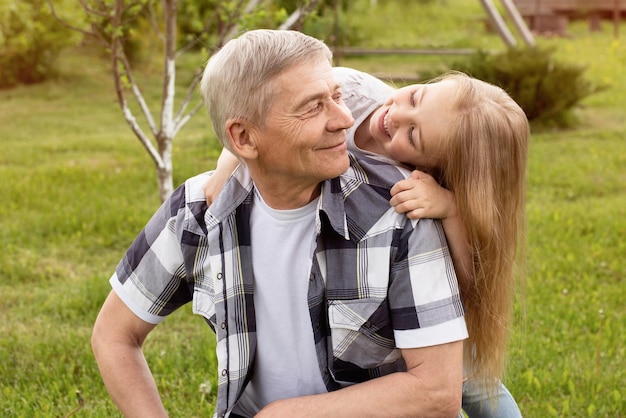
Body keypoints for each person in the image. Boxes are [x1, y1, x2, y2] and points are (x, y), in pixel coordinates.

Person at [91, 29, 469, 418]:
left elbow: (437, 392)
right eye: (312, 107)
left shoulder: (399, 210)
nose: (344, 120)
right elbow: (114, 335)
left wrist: (286, 415)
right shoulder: (198, 213)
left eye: (336, 97)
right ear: (243, 138)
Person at [204, 67, 529, 417]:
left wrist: (451, 210)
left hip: (427, 297)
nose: (396, 116)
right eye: (416, 97)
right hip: (363, 276)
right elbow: (260, 111)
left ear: (434, 167)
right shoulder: (349, 92)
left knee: (469, 378)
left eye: (414, 135)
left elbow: (470, 284)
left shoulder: (437, 186)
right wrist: (229, 163)